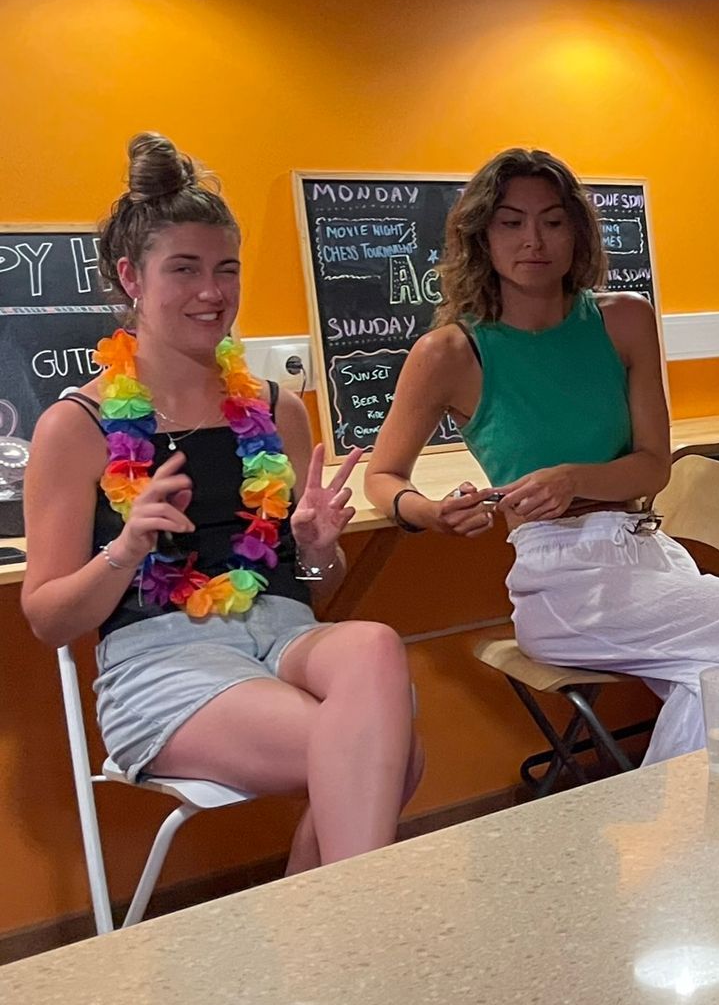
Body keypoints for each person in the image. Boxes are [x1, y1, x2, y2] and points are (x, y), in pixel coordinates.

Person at [23, 135, 424, 873]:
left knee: (373, 645)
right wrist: (126, 549)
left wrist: (315, 552)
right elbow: (48, 618)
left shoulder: (277, 409)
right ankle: (358, 927)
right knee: (384, 754)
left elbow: (317, 588)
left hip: (285, 634)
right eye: (184, 269)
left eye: (226, 269)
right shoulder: (76, 427)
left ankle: (331, 931)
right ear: (130, 277)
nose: (212, 292)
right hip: (164, 662)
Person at [366, 148, 719, 766]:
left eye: (553, 221)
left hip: (647, 552)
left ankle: (693, 825)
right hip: (560, 578)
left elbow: (654, 465)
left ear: (577, 233)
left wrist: (573, 478)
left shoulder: (626, 321)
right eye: (511, 222)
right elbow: (383, 475)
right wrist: (429, 512)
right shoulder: (449, 353)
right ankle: (700, 818)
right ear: (481, 237)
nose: (533, 240)